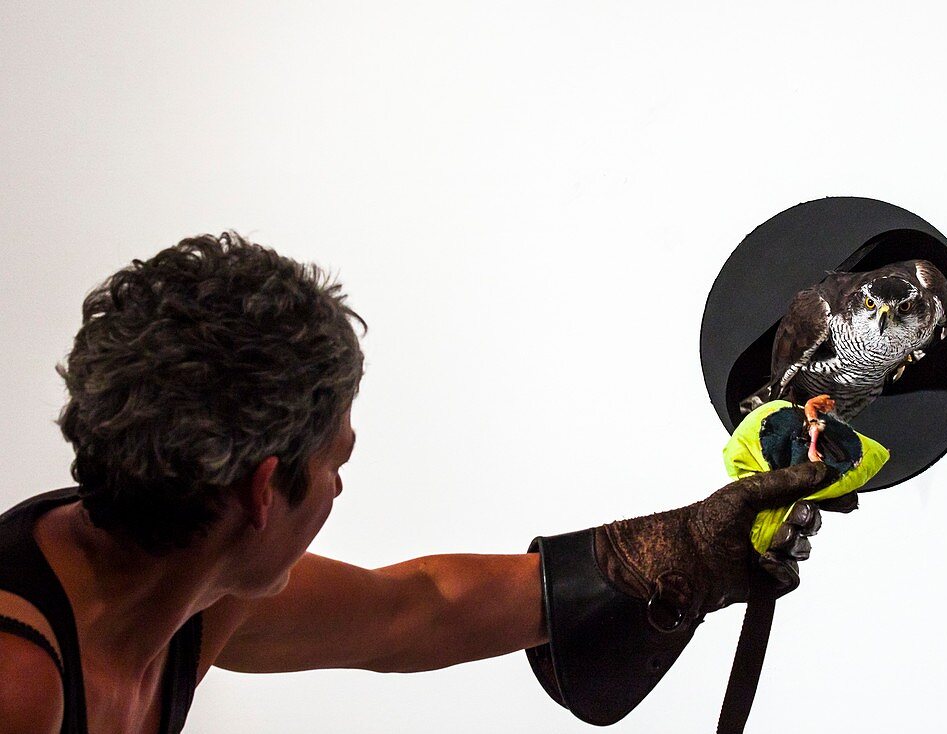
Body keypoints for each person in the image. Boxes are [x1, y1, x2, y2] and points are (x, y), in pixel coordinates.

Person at [0, 233, 837, 733]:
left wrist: (684, 549)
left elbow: (412, 610)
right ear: (262, 493)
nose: (338, 490)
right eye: (338, 462)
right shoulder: (18, 685)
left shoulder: (185, 582)